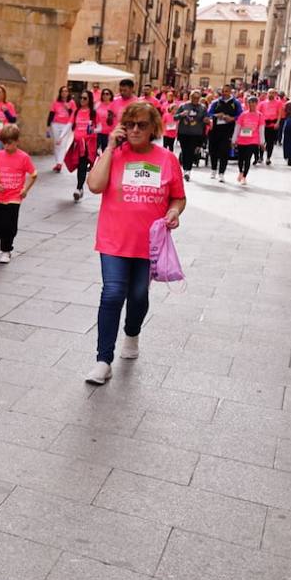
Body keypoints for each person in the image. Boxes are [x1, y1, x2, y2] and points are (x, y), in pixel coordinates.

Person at [83, 101, 186, 385]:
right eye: (130, 125)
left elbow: (178, 196)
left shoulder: (166, 159)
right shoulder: (114, 155)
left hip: (148, 243)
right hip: (114, 239)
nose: (135, 130)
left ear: (154, 128)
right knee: (113, 293)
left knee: (139, 296)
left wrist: (174, 211)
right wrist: (110, 148)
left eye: (142, 125)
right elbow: (94, 185)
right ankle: (103, 360)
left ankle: (132, 332)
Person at [0, 125, 36, 264]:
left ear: (17, 141)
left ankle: (6, 251)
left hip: (14, 197)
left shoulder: (23, 157)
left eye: (9, 143)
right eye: (4, 143)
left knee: (9, 225)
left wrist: (25, 189)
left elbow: (33, 174)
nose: (6, 146)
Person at [205, 85, 242, 182]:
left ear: (230, 92)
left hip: (228, 131)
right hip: (215, 130)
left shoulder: (236, 103)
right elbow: (208, 114)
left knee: (224, 152)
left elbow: (241, 115)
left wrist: (232, 118)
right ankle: (213, 170)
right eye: (223, 91)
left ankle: (221, 173)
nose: (224, 93)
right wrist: (217, 115)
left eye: (227, 91)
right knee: (213, 151)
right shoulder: (215, 102)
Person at [69, 89, 99, 201]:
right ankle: (80, 188)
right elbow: (69, 124)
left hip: (88, 144)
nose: (82, 100)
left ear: (89, 100)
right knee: (79, 165)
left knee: (82, 165)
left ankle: (79, 188)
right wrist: (61, 138)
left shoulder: (93, 113)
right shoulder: (76, 111)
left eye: (85, 98)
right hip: (77, 143)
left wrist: (93, 131)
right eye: (81, 97)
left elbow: (99, 127)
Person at [174, 92, 208, 181]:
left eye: (197, 98)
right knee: (185, 151)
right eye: (194, 97)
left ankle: (187, 170)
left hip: (196, 133)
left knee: (191, 151)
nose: (195, 99)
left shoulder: (202, 108)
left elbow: (207, 119)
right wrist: (181, 115)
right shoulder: (183, 106)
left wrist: (207, 120)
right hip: (184, 132)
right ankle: (185, 169)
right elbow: (175, 117)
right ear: (190, 97)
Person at [233, 95, 265, 185]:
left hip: (253, 140)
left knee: (247, 159)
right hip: (242, 140)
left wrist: (262, 142)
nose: (252, 105)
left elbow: (261, 130)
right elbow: (237, 127)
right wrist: (234, 140)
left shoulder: (260, 115)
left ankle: (244, 177)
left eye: (254, 104)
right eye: (250, 103)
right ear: (248, 104)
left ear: (256, 104)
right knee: (240, 159)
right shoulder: (243, 115)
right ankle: (240, 171)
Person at [47, 85, 75, 171]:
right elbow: (51, 114)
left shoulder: (72, 102)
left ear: (68, 93)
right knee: (56, 143)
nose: (64, 93)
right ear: (60, 93)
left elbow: (74, 114)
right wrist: (48, 126)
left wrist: (69, 108)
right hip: (55, 124)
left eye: (66, 91)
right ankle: (57, 162)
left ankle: (59, 163)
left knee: (63, 144)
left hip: (66, 125)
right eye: (63, 91)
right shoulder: (56, 102)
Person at [261, 88, 283, 165]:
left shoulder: (278, 103)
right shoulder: (262, 103)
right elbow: (259, 114)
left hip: (273, 125)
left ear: (275, 94)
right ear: (267, 93)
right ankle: (260, 157)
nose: (271, 94)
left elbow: (280, 113)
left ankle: (268, 158)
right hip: (263, 125)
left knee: (270, 143)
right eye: (270, 93)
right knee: (262, 142)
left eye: (273, 93)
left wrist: (277, 123)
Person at [94, 87, 118, 153]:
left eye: (107, 94)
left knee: (107, 151)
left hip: (109, 132)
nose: (105, 95)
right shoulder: (98, 104)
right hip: (98, 132)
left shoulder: (114, 104)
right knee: (97, 151)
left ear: (110, 95)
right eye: (103, 94)